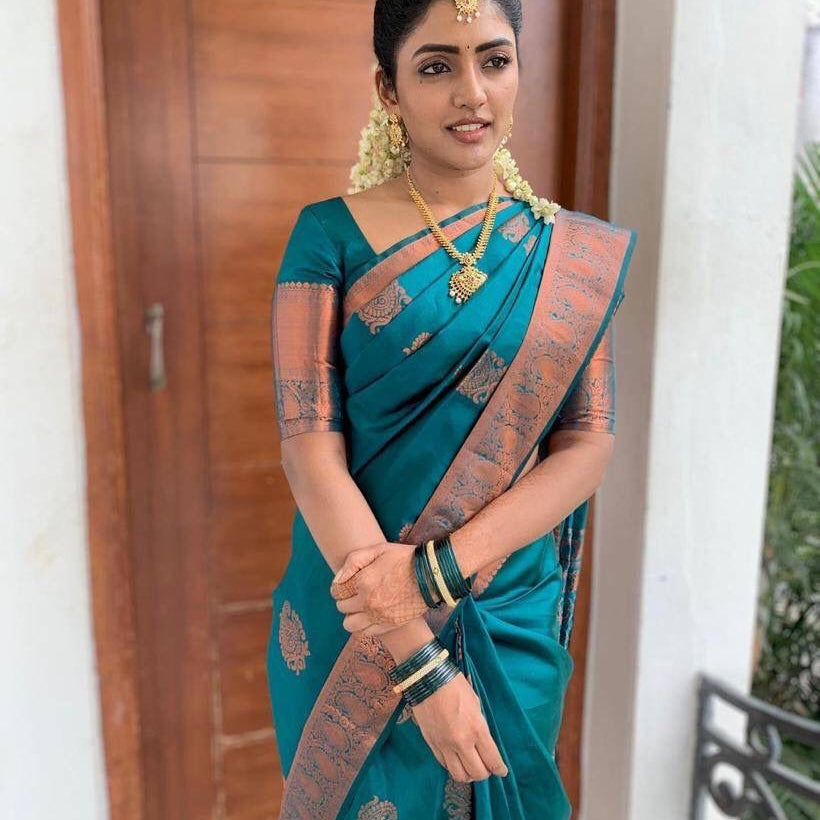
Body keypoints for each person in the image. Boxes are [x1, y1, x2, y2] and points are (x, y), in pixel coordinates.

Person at [266, 0, 637, 817]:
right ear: (388, 89)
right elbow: (309, 452)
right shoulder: (326, 237)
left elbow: (588, 446)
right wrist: (422, 665)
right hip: (354, 621)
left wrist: (434, 572)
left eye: (494, 60)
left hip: (505, 607)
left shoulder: (570, 257)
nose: (472, 91)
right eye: (436, 66)